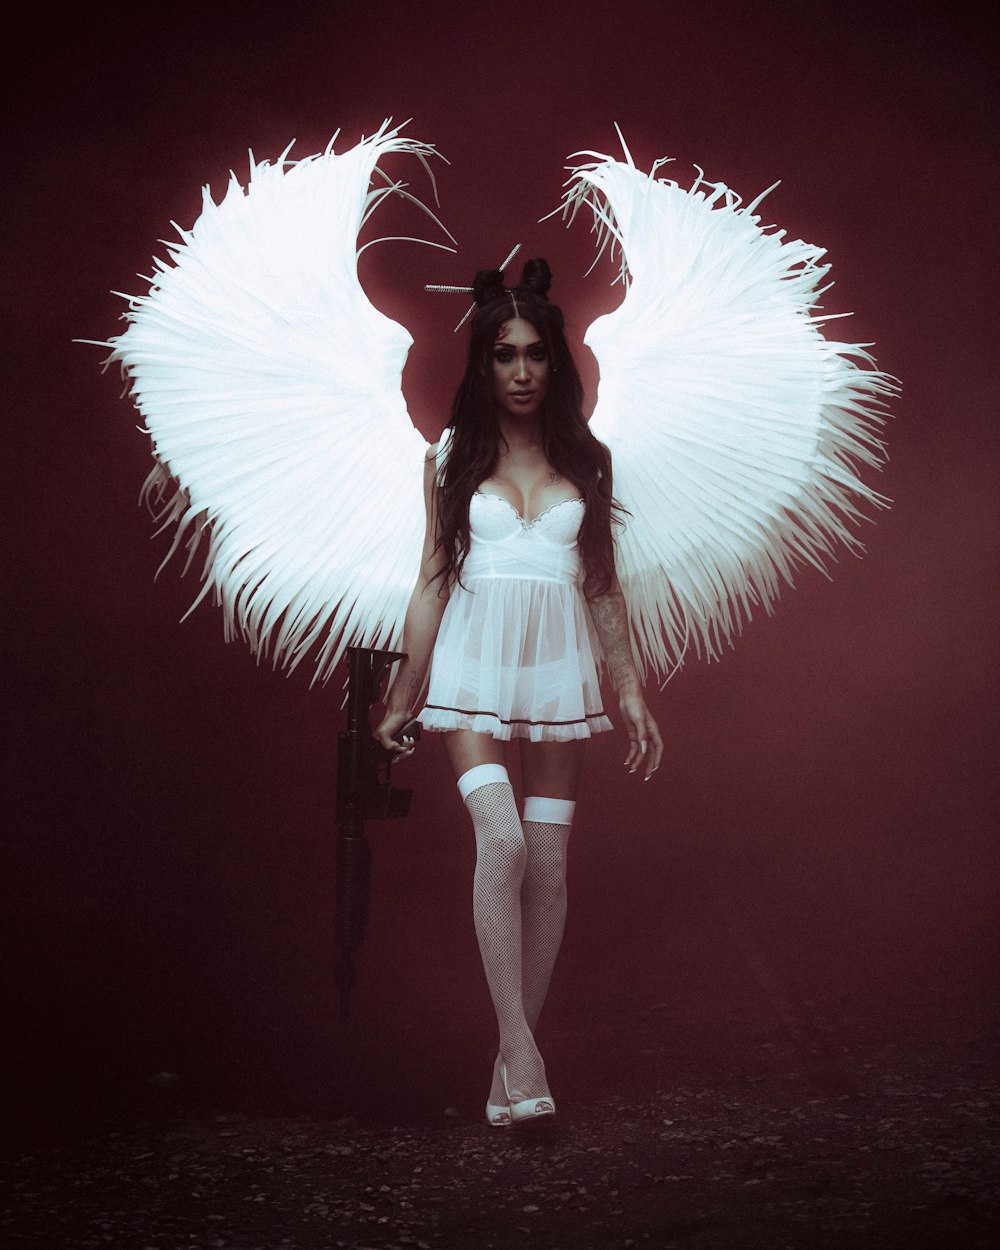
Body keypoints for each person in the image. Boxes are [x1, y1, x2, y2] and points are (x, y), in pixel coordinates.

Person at [373, 259, 663, 1128]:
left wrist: (633, 690)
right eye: (505, 356)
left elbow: (604, 587)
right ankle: (524, 1048)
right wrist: (400, 694)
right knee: (501, 843)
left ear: (556, 362)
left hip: (557, 673)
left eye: (536, 354)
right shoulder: (452, 458)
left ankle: (510, 1070)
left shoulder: (589, 461)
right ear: (484, 364)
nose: (524, 371)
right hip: (468, 669)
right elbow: (430, 582)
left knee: (549, 863)